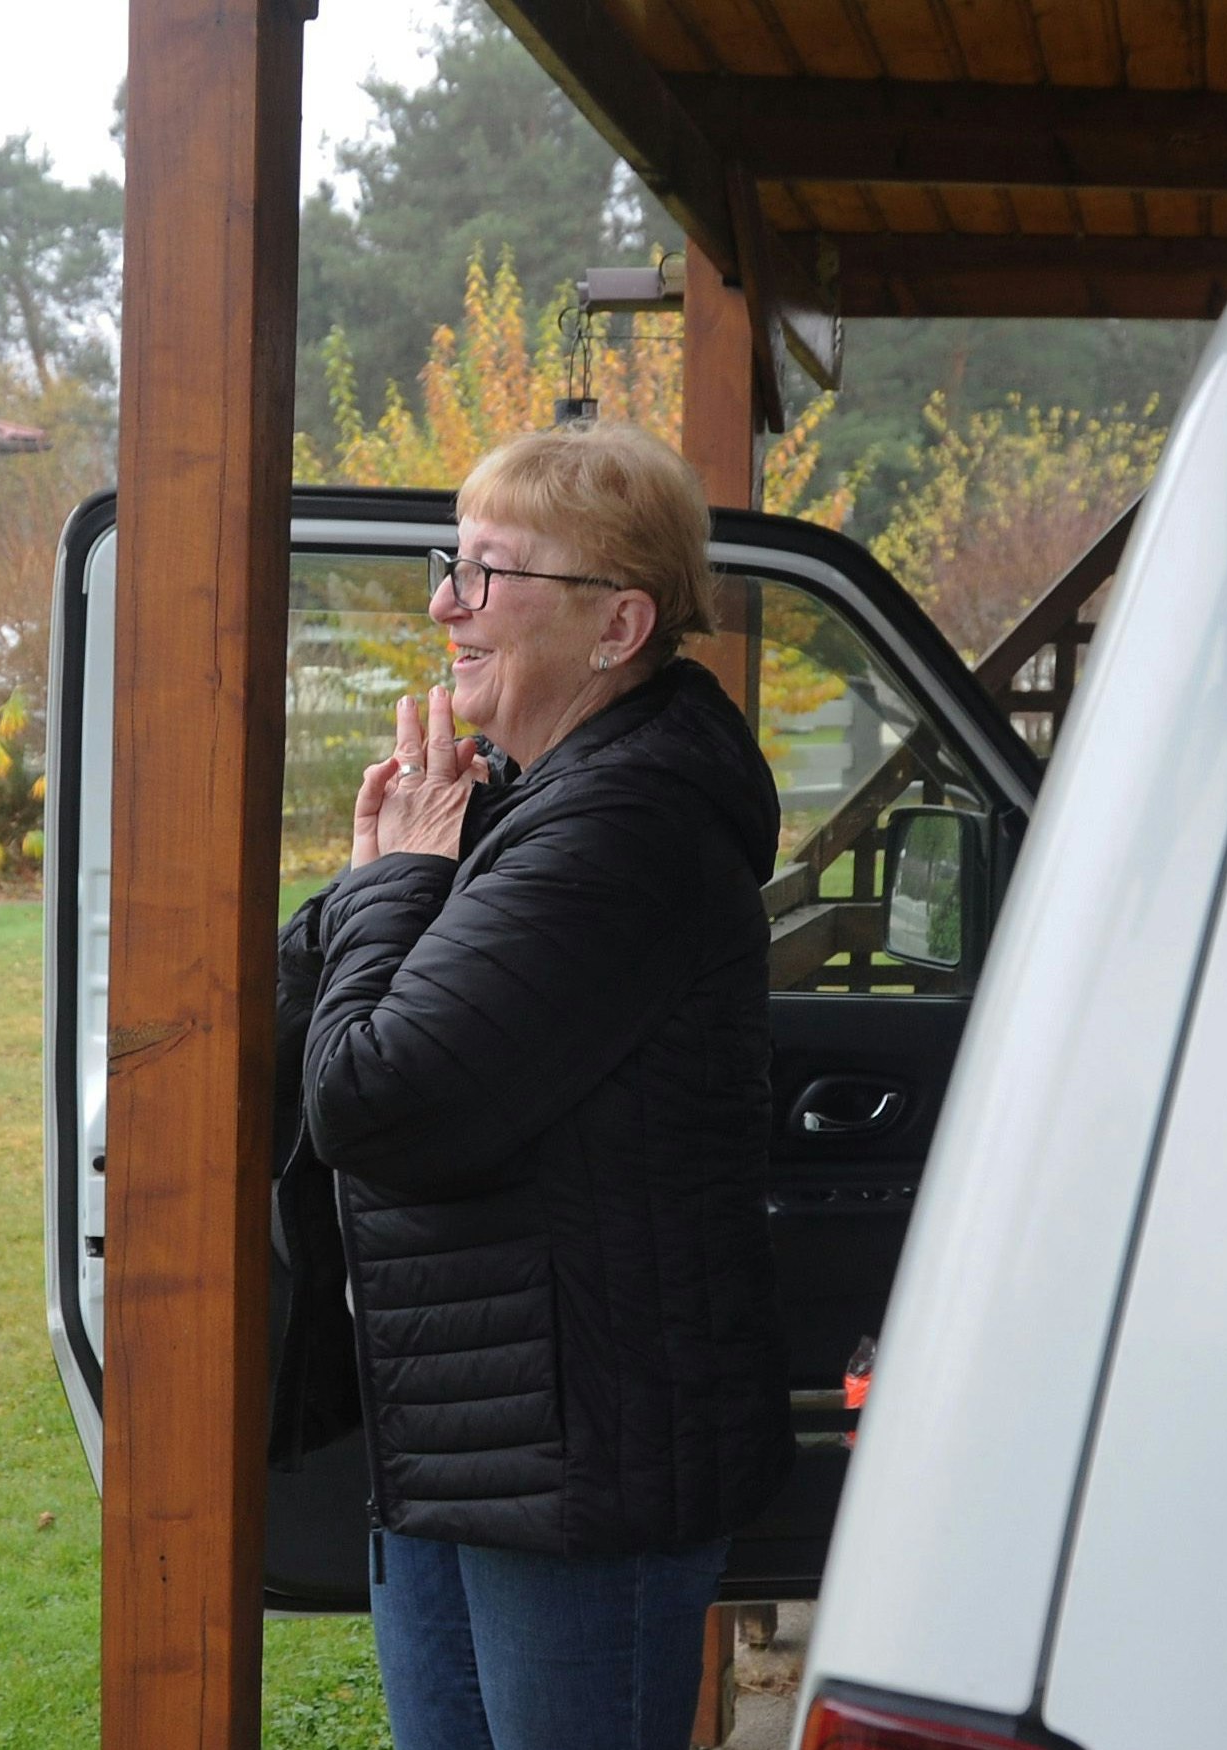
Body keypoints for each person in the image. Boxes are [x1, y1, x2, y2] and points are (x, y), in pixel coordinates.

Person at [285, 421, 793, 1750]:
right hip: (476, 1444)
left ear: (618, 624)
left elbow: (376, 1096)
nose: (445, 602)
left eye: (488, 573)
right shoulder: (531, 800)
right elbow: (296, 1008)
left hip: (581, 1466)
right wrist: (376, 871)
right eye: (449, 564)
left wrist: (395, 882)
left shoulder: (630, 830)